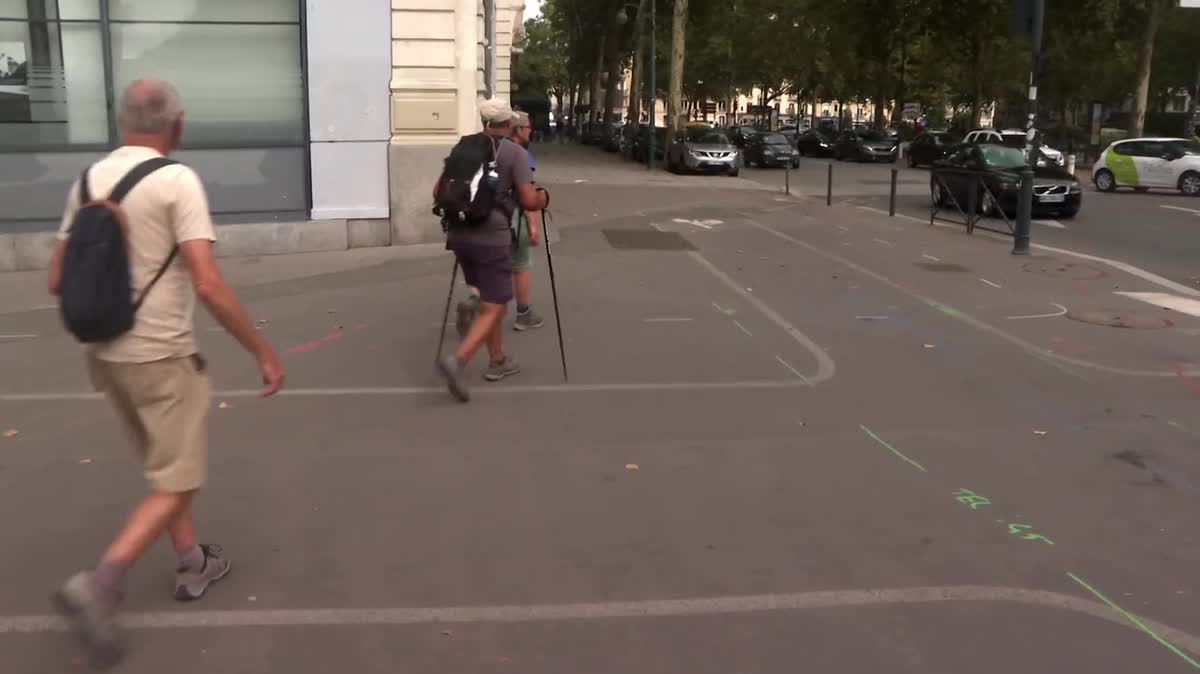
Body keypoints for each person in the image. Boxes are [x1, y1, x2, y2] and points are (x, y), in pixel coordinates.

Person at [47, 79, 285, 668]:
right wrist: (262, 350)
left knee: (163, 464)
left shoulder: (87, 181)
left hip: (104, 352)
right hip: (161, 354)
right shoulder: (177, 181)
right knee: (178, 478)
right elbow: (206, 283)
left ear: (121, 121)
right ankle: (100, 583)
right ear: (175, 123)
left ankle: (192, 563)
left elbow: (56, 278)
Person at [437, 98, 547, 402]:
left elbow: (437, 191)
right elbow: (527, 199)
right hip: (491, 236)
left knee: (487, 299)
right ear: (510, 124)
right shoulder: (514, 152)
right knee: (497, 303)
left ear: (484, 121)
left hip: (459, 235)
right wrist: (543, 199)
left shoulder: (464, 148)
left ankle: (498, 360)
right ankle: (457, 360)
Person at [509, 110, 545, 331]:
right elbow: (527, 196)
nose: (531, 131)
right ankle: (523, 313)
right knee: (521, 265)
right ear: (519, 129)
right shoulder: (521, 155)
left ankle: (476, 303)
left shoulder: (491, 150)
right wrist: (533, 224)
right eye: (528, 127)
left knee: (488, 265)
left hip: (487, 218)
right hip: (513, 217)